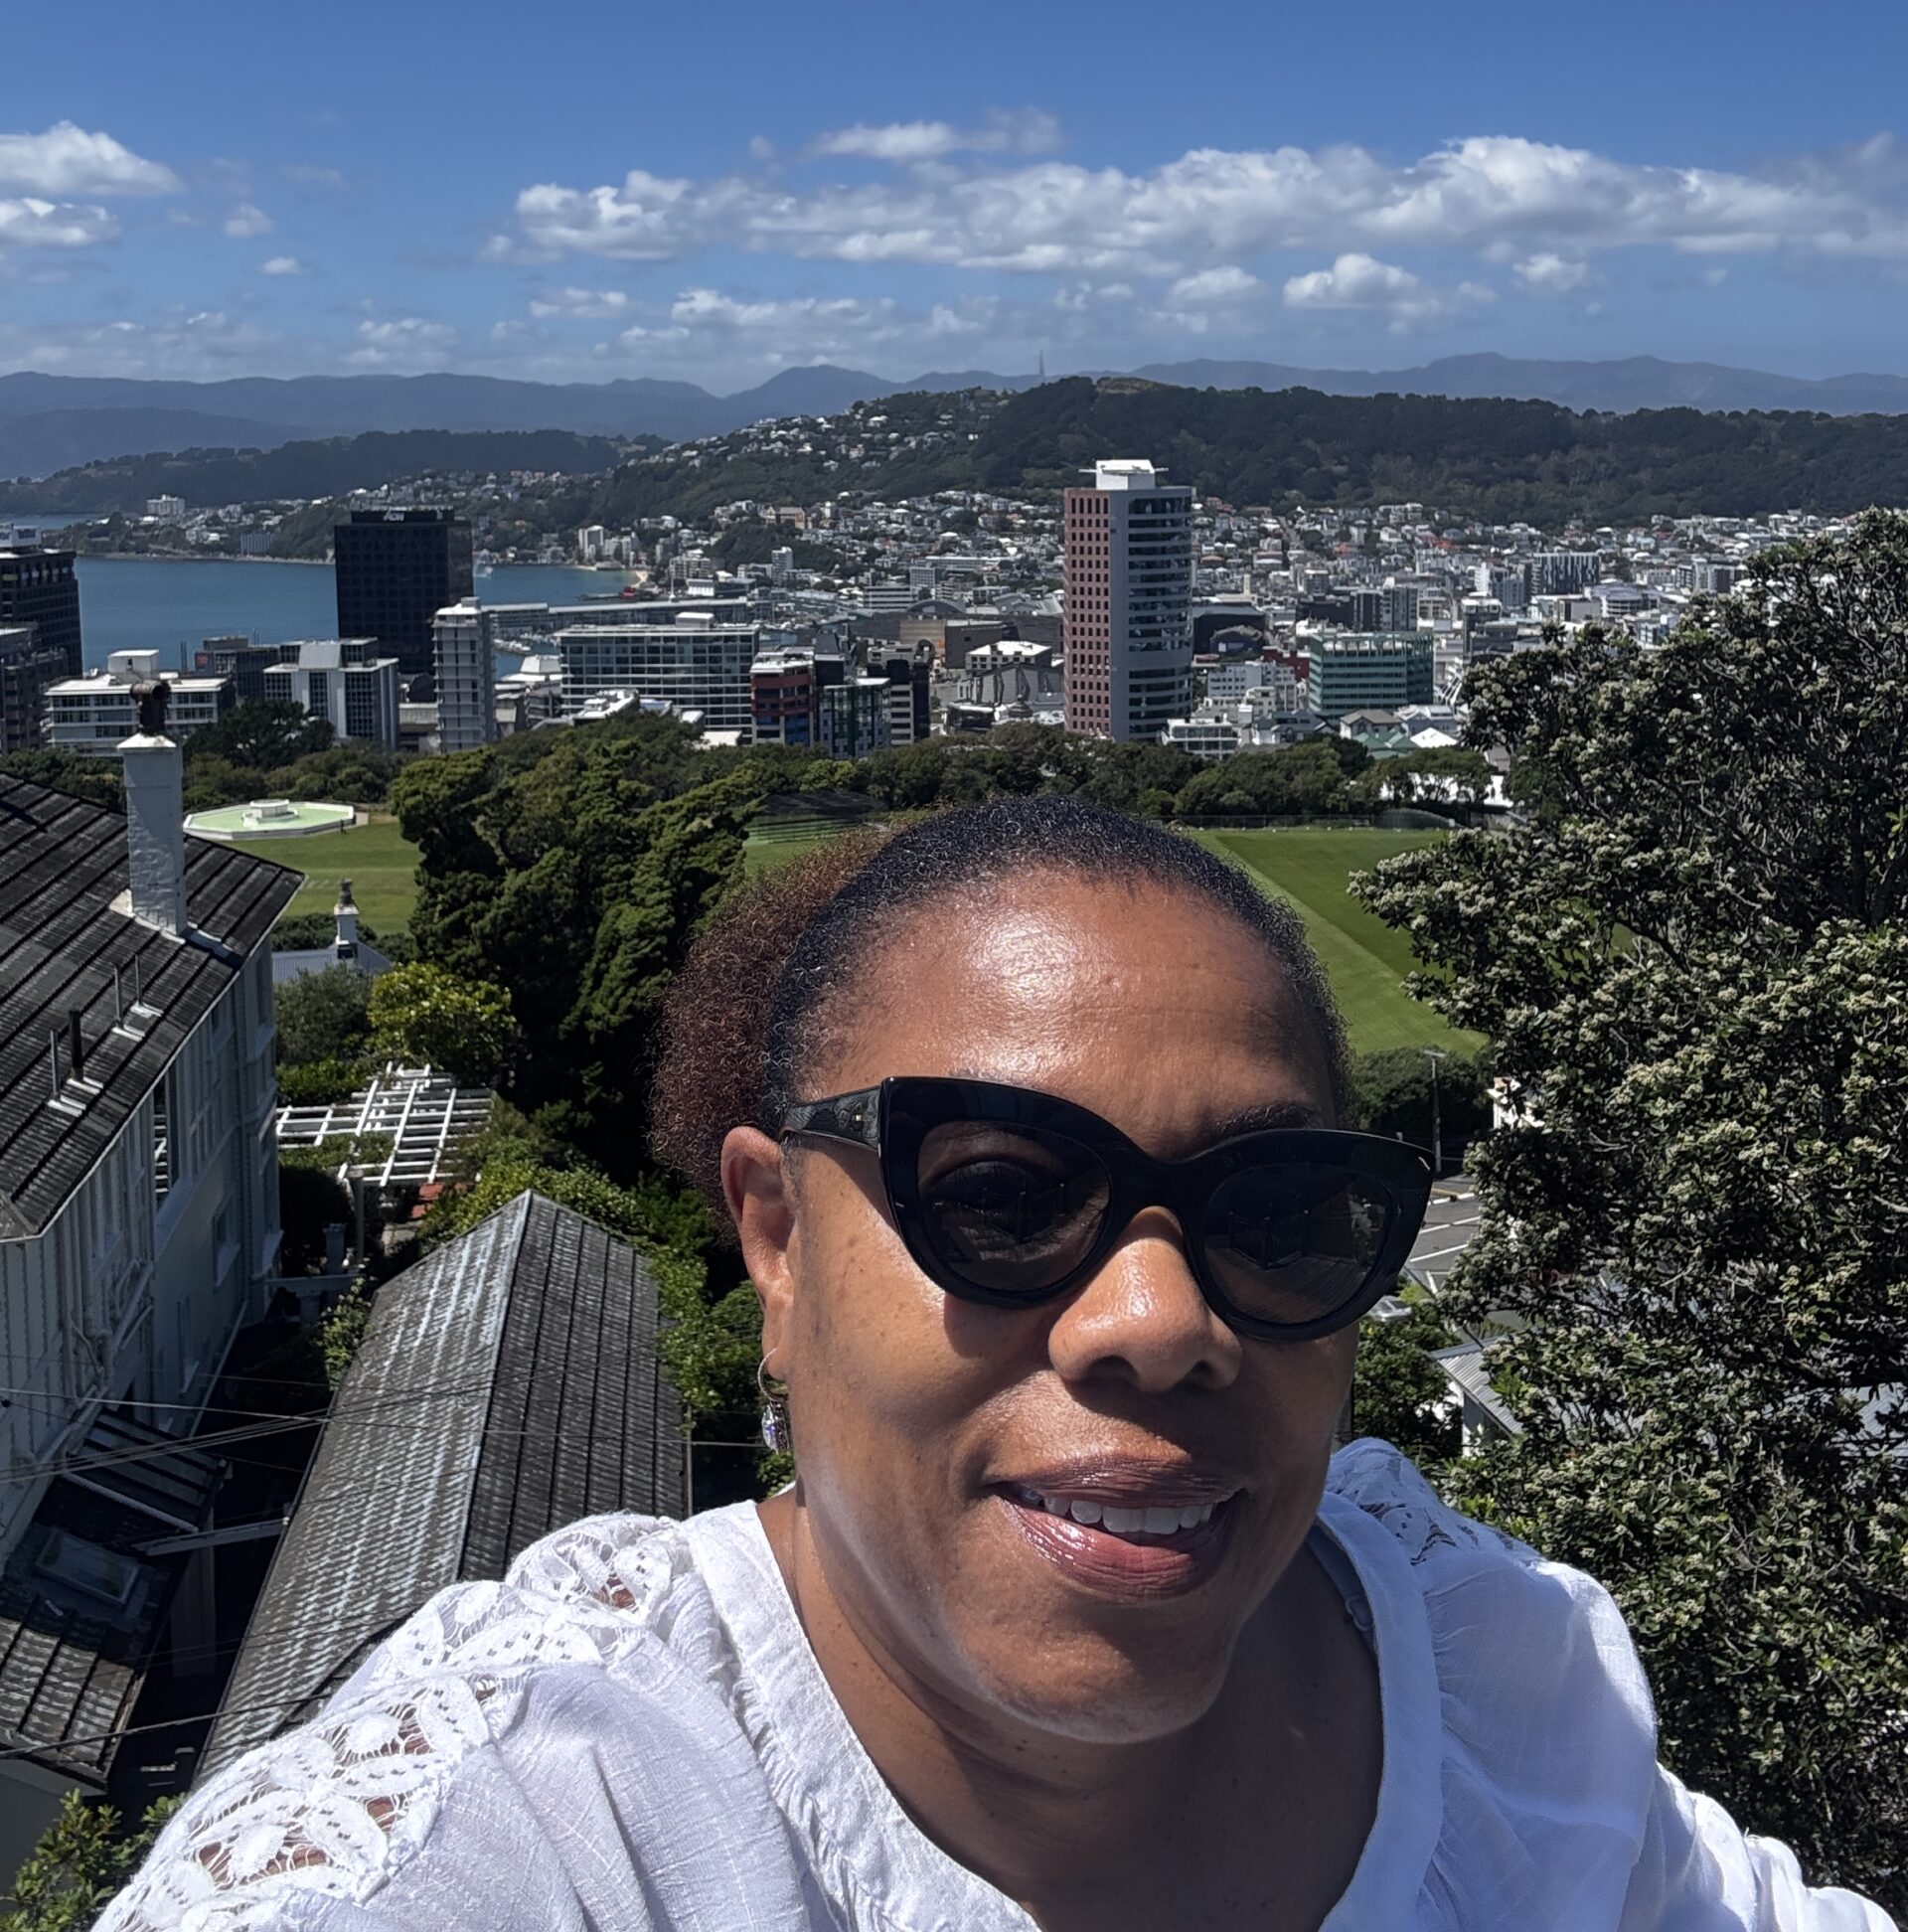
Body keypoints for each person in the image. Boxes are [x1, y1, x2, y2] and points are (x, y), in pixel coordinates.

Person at [108, 800, 1894, 1930]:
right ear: (777, 1239)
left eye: (1281, 1212)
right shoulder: (538, 1838)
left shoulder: (1498, 1679)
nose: (1161, 1321)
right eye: (1003, 1197)